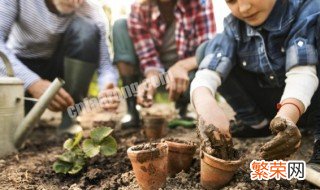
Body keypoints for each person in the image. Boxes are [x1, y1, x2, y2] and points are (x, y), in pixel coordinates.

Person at [191, 0, 320, 164]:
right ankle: (257, 123)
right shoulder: (234, 26)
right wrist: (206, 104)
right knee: (206, 51)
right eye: (231, 1)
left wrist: (288, 114)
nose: (244, 8)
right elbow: (208, 71)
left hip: (310, 104)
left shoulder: (307, 8)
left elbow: (303, 71)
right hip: (275, 109)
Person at [0, 0, 118, 134]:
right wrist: (32, 82)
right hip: (22, 67)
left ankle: (70, 115)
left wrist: (108, 85)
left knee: (87, 30)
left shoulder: (92, 11)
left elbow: (105, 65)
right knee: (16, 128)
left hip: (60, 68)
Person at [101, 0, 216, 129]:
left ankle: (183, 107)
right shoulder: (139, 8)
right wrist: (151, 79)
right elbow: (148, 58)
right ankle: (132, 108)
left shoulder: (201, 3)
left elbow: (209, 50)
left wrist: (181, 67)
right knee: (120, 25)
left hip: (187, 74)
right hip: (156, 75)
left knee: (202, 66)